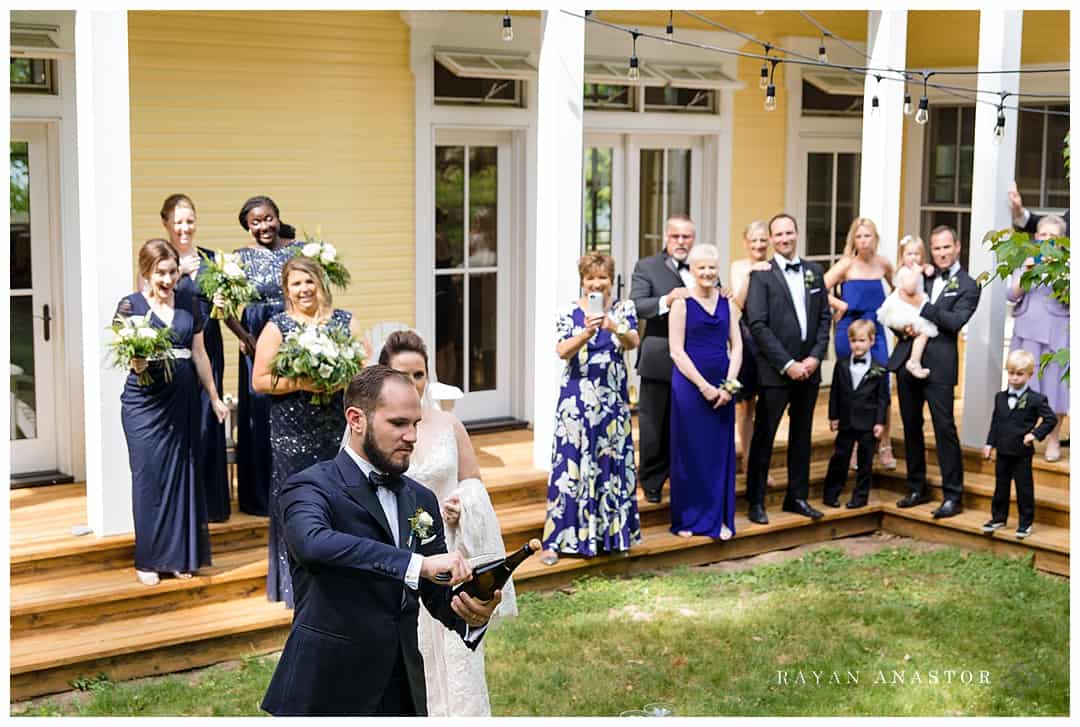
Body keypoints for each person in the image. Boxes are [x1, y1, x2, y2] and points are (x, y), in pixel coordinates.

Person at [260, 366, 501, 716]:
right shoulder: (309, 487)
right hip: (327, 687)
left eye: (415, 423)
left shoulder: (421, 499)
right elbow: (313, 544)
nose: (412, 436)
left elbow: (435, 592)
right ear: (356, 419)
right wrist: (415, 564)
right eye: (398, 423)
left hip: (402, 689)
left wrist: (471, 612)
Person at [379, 329, 517, 717]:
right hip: (401, 563)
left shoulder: (449, 426)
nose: (412, 384)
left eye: (419, 375)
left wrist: (463, 506)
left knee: (459, 658)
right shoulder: (373, 430)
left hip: (451, 558)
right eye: (402, 375)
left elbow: (473, 482)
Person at [252, 256, 363, 607]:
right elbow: (260, 380)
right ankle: (296, 585)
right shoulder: (277, 326)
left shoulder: (344, 322)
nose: (303, 290)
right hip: (292, 431)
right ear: (286, 290)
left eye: (308, 282)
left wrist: (336, 379)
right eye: (296, 284)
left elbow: (365, 370)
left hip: (336, 426)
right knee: (299, 502)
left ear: (320, 283)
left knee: (341, 498)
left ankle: (342, 577)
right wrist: (302, 381)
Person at [117, 239, 228, 586]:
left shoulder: (189, 304)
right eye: (160, 272)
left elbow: (200, 354)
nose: (167, 279)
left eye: (172, 272)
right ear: (146, 272)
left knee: (182, 477)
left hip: (183, 401)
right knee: (149, 479)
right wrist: (137, 363)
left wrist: (214, 397)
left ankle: (181, 557)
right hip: (145, 403)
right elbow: (125, 353)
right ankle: (149, 559)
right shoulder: (130, 306)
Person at [540, 253, 642, 566]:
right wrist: (585, 333)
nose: (596, 284)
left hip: (612, 404)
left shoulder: (624, 309)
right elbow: (561, 351)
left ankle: (612, 537)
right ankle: (557, 541)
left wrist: (612, 326)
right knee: (569, 471)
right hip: (576, 406)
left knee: (611, 470)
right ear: (582, 281)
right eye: (590, 278)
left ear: (611, 280)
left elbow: (633, 341)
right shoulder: (568, 311)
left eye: (602, 278)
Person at [744, 213, 832, 524]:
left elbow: (824, 318)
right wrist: (787, 363)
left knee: (802, 435)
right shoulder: (762, 276)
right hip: (776, 371)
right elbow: (757, 323)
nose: (784, 239)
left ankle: (797, 496)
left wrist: (814, 358)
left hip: (809, 369)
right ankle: (755, 501)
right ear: (770, 239)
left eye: (789, 233)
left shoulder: (814, 271)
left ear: (797, 233)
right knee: (765, 437)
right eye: (778, 234)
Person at [888, 225, 980, 519]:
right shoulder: (921, 275)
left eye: (946, 247)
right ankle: (916, 487)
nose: (941, 253)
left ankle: (953, 495)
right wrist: (904, 325)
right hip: (906, 358)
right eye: (936, 248)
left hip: (940, 364)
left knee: (944, 429)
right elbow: (895, 308)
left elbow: (954, 322)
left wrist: (923, 307)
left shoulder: (968, 285)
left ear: (957, 247)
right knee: (911, 426)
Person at [228, 196, 302, 516]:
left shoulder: (297, 251)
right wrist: (244, 337)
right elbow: (222, 306)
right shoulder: (239, 258)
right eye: (255, 222)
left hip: (290, 332)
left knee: (291, 405)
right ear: (247, 226)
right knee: (259, 412)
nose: (263, 226)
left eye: (268, 219)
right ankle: (260, 496)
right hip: (254, 336)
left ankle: (294, 489)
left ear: (277, 217)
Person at [159, 194, 230, 522]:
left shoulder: (211, 259)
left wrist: (222, 300)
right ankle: (183, 503)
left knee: (207, 420)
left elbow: (225, 310)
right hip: (177, 350)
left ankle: (211, 504)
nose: (184, 228)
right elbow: (147, 301)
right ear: (166, 224)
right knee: (184, 424)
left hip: (209, 347)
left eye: (189, 221)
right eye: (177, 222)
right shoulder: (161, 259)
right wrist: (181, 275)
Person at [668, 244, 742, 539]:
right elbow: (676, 351)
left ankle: (719, 519)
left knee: (718, 453)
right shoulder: (681, 304)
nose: (708, 273)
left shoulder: (727, 303)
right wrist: (704, 387)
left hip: (724, 386)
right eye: (701, 268)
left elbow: (736, 346)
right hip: (690, 387)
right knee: (690, 452)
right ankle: (687, 518)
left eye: (712, 267)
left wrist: (728, 385)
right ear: (692, 271)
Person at [630, 214, 696, 503]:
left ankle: (684, 479)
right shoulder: (647, 267)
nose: (681, 242)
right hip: (660, 357)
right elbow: (636, 306)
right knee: (654, 425)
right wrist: (667, 300)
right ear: (666, 238)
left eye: (687, 237)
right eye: (675, 236)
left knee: (688, 424)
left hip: (696, 359)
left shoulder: (701, 266)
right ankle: (653, 481)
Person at [823, 217, 897, 469]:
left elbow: (900, 291)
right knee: (851, 386)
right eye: (859, 236)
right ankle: (852, 444)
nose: (864, 241)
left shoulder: (884, 264)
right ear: (853, 239)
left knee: (881, 385)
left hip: (875, 331)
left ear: (875, 238)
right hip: (850, 331)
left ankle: (884, 444)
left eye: (868, 236)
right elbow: (818, 286)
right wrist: (838, 303)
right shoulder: (846, 265)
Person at [1006, 214, 1069, 461]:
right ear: (1035, 238)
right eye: (1042, 235)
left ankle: (1053, 440)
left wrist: (1059, 273)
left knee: (1054, 387)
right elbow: (1011, 295)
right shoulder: (1025, 261)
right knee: (1024, 386)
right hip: (1027, 332)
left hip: (1055, 332)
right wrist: (1028, 273)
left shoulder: (1068, 265)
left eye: (1052, 236)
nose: (1046, 240)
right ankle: (1022, 437)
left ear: (1062, 241)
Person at [982, 350, 1058, 539]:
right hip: (1003, 450)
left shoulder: (1036, 399)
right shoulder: (1000, 397)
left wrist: (1035, 434)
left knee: (1024, 488)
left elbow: (1051, 419)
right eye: (1011, 373)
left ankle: (1025, 522)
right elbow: (996, 422)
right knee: (1001, 486)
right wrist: (989, 443)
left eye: (1019, 374)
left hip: (1022, 452)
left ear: (1029, 375)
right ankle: (998, 517)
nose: (1014, 378)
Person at [823, 320, 889, 510]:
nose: (857, 345)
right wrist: (833, 416)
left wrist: (880, 422)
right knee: (840, 458)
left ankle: (860, 497)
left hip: (868, 422)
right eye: (853, 341)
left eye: (861, 340)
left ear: (871, 341)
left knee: (865, 460)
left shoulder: (879, 368)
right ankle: (831, 493)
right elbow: (835, 392)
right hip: (846, 420)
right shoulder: (841, 365)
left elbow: (883, 398)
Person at [729, 220, 774, 477]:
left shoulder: (776, 265)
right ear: (745, 242)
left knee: (767, 405)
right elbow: (738, 302)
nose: (758, 245)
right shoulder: (738, 267)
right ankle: (748, 460)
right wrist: (752, 271)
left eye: (761, 240)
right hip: (746, 338)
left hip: (772, 338)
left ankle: (761, 463)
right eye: (753, 240)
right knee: (745, 405)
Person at [876, 235, 939, 379]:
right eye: (909, 254)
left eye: (917, 254)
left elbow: (926, 271)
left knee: (923, 334)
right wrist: (917, 272)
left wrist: (926, 267)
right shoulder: (904, 272)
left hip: (913, 307)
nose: (913, 258)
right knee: (923, 332)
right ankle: (914, 362)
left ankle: (914, 361)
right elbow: (910, 289)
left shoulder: (916, 269)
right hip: (904, 308)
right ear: (902, 256)